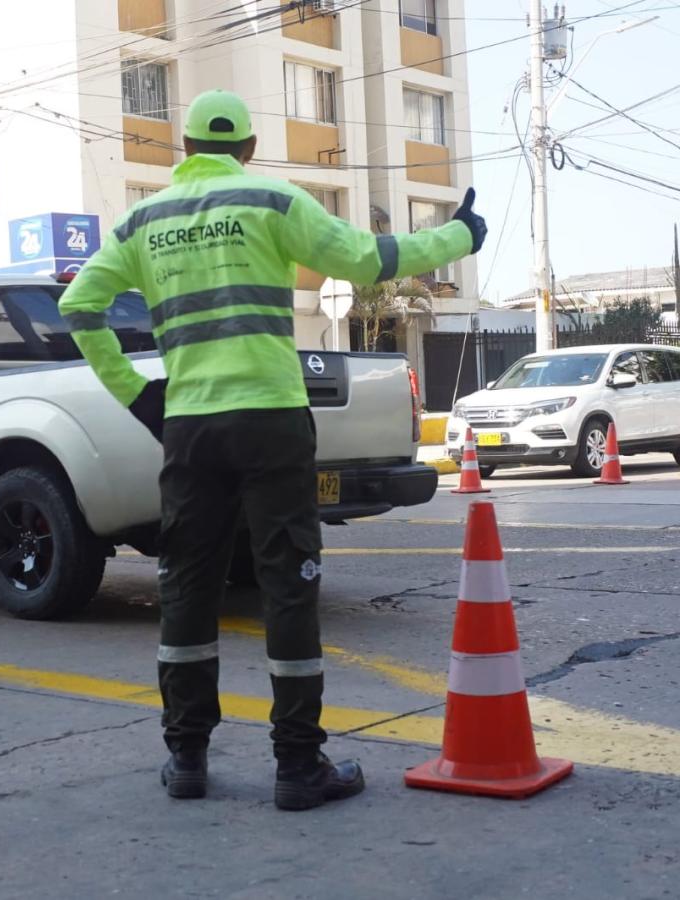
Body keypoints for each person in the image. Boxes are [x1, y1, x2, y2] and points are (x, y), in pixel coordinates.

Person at [58, 89, 486, 811]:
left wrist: (136, 393)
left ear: (187, 149)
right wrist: (458, 237)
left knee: (187, 584)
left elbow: (79, 306)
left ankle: (186, 757)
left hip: (190, 426)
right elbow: (366, 258)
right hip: (272, 421)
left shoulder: (144, 221)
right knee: (288, 581)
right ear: (249, 148)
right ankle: (297, 763)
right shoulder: (273, 200)